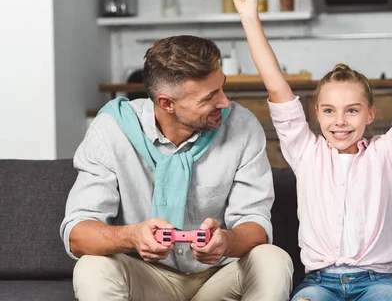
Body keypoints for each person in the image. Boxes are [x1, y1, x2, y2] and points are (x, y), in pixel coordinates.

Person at [231, 0, 392, 301]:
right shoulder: (305, 152)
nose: (340, 121)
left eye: (352, 110)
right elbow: (276, 87)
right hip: (319, 283)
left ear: (370, 114)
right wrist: (250, 16)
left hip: (378, 283)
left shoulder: (388, 153)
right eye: (329, 110)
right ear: (316, 113)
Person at [59, 35, 293, 301]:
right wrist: (133, 236)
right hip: (146, 278)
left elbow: (256, 225)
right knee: (92, 267)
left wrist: (226, 241)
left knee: (273, 260)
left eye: (222, 88)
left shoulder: (241, 126)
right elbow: (78, 234)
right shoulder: (111, 130)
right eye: (209, 97)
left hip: (217, 278)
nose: (225, 102)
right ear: (166, 103)